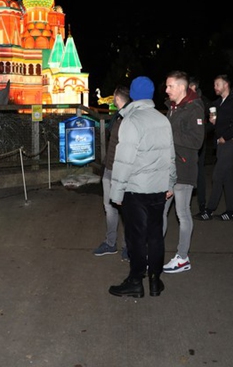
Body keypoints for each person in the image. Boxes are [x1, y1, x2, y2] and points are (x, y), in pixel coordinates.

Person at [108, 76, 176, 298]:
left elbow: (123, 160)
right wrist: (170, 183)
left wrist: (116, 192)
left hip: (135, 190)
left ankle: (136, 281)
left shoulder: (131, 121)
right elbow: (171, 156)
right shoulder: (162, 119)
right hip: (158, 188)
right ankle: (156, 281)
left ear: (133, 95)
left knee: (136, 238)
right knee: (155, 236)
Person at [161, 71, 205, 274]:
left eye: (170, 86)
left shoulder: (194, 108)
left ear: (181, 87)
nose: (166, 89)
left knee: (182, 213)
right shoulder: (173, 107)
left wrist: (167, 130)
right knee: (160, 211)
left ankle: (182, 257)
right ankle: (154, 251)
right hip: (168, 169)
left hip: (184, 169)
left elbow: (196, 141)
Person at [198, 74, 233, 221]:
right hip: (222, 145)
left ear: (226, 85)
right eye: (214, 85)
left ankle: (209, 210)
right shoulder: (218, 103)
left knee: (217, 175)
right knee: (227, 178)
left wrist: (224, 137)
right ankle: (231, 211)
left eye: (217, 84)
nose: (215, 88)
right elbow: (212, 115)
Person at [93, 84, 131, 260]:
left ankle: (128, 246)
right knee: (109, 207)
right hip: (109, 169)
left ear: (117, 98)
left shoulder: (130, 118)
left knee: (124, 210)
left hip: (121, 171)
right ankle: (110, 243)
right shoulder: (118, 116)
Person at [188, 76, 211, 217]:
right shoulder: (186, 101)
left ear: (194, 88)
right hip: (186, 143)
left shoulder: (204, 103)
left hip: (199, 144)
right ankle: (184, 204)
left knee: (199, 174)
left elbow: (213, 123)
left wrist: (201, 130)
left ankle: (202, 206)